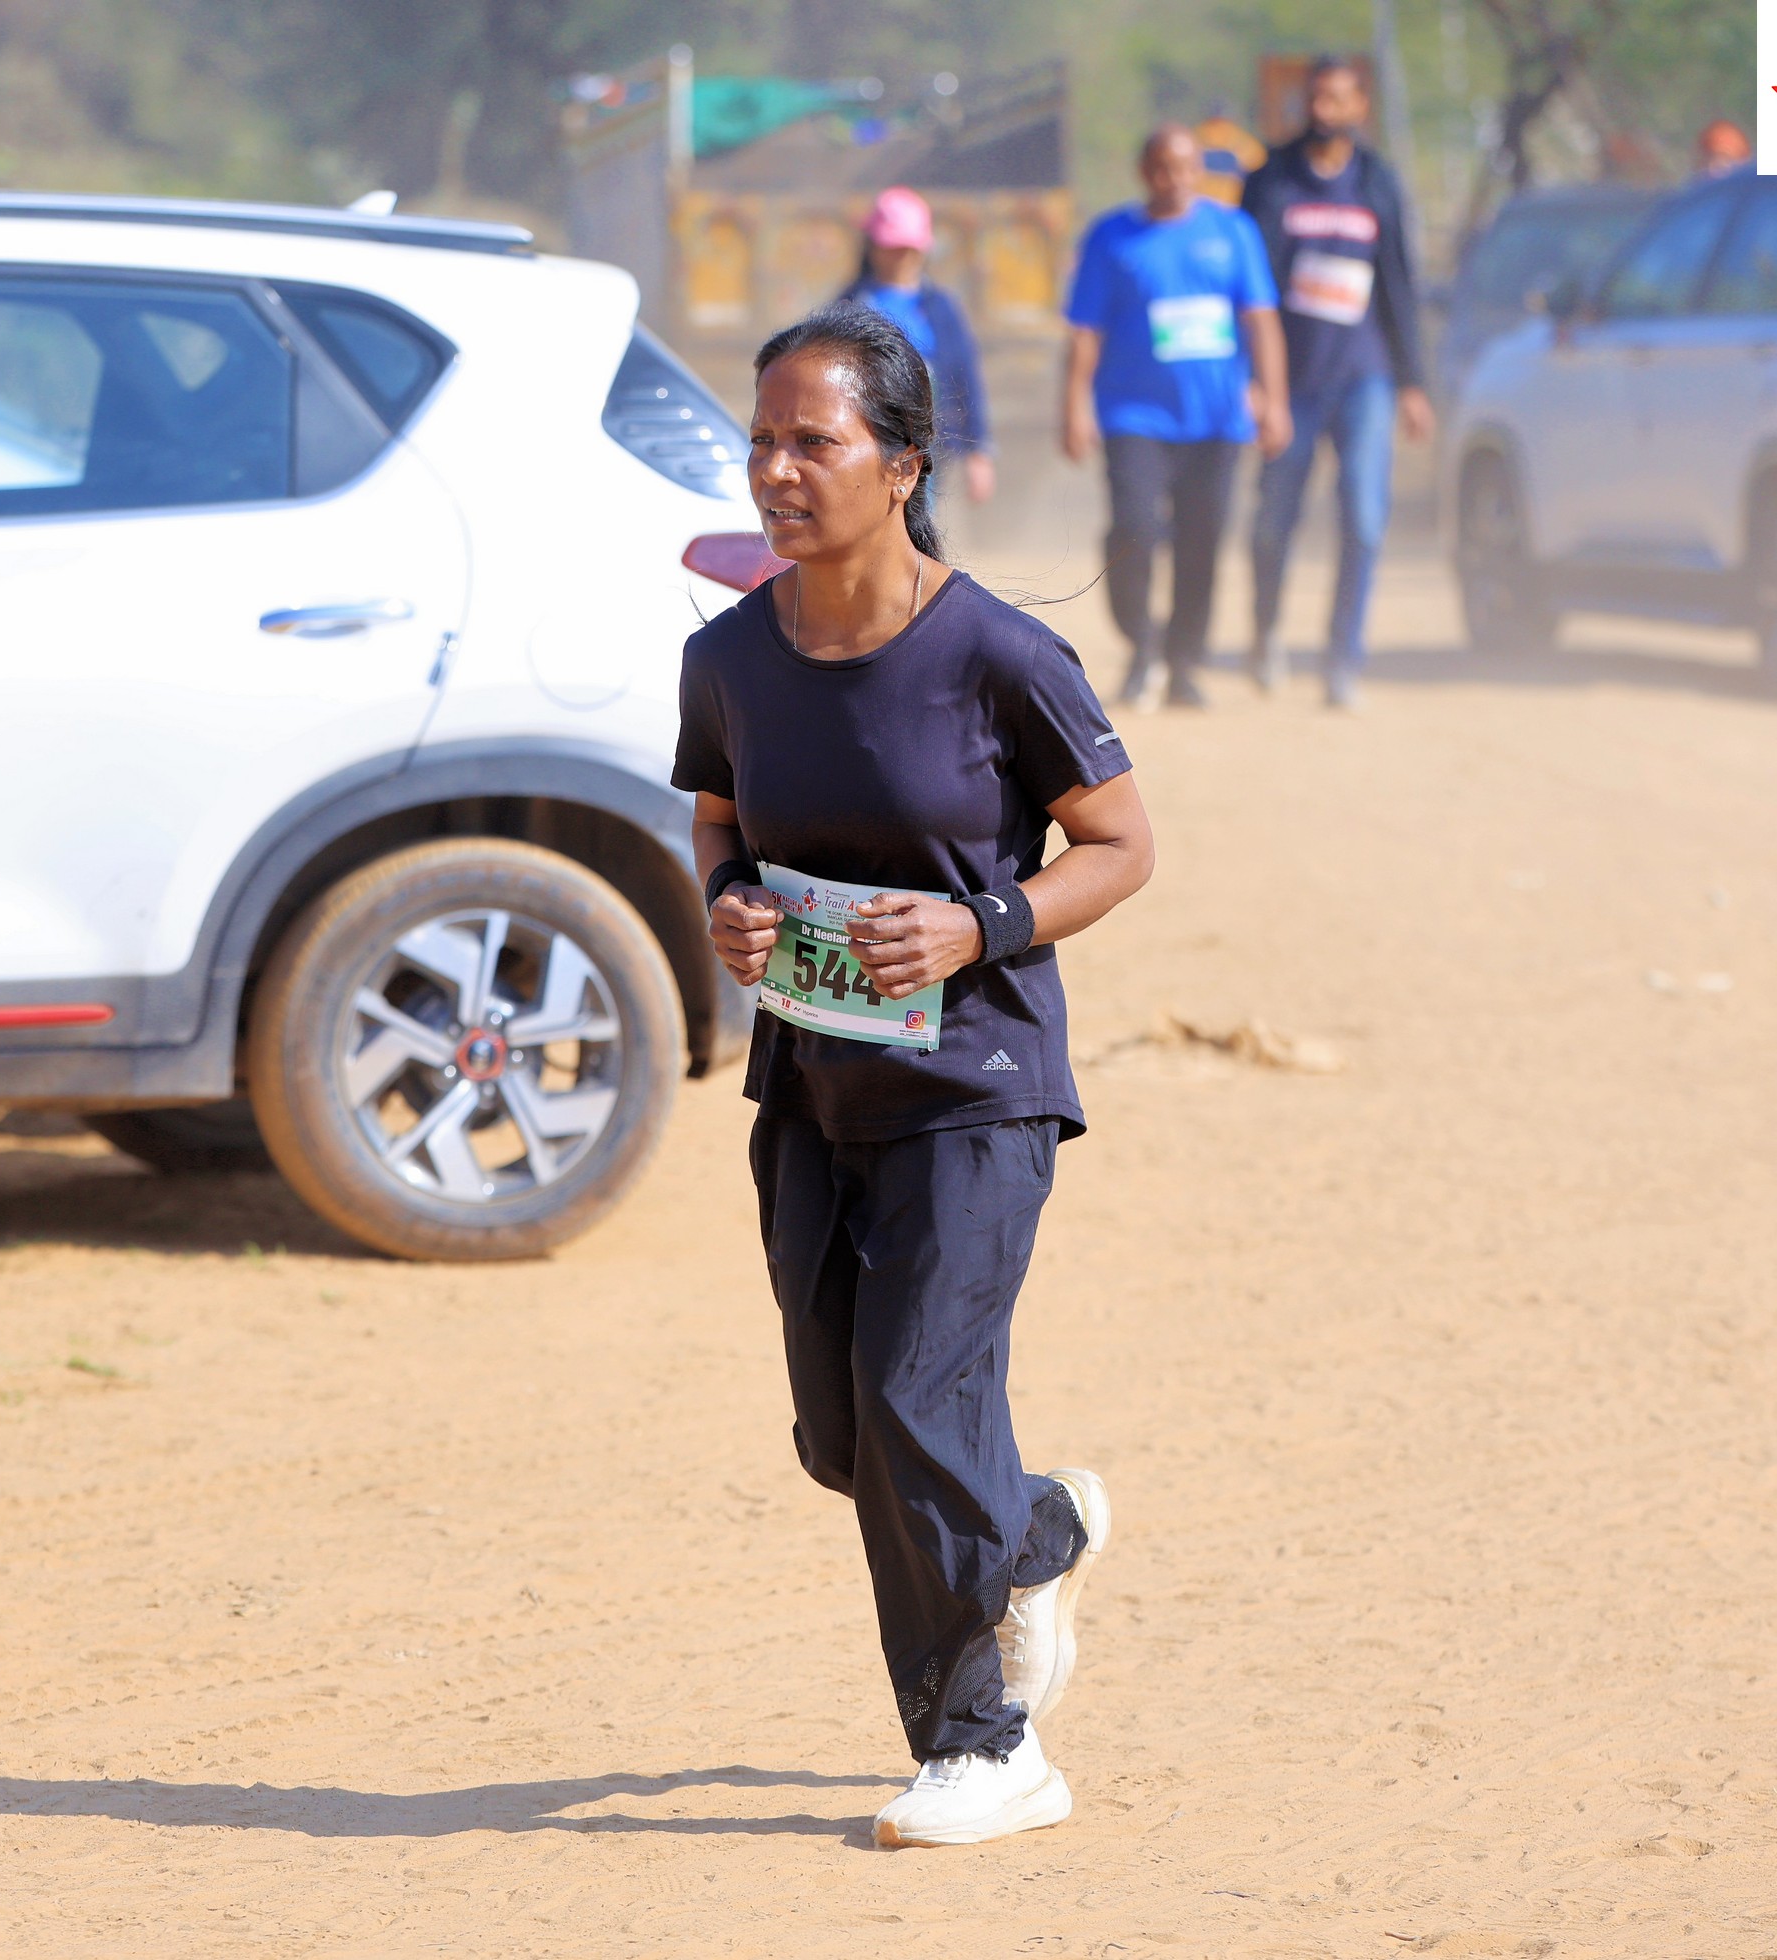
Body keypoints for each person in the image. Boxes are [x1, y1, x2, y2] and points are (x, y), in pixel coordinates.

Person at [677, 302, 1154, 1848]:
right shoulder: (728, 657)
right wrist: (729, 901)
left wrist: (976, 926)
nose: (777, 470)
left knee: (911, 1403)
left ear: (902, 464)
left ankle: (985, 1749)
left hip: (977, 1087)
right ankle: (1040, 1527)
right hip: (812, 1090)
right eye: (761, 440)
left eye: (811, 441)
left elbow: (1121, 844)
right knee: (847, 1442)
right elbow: (717, 822)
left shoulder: (998, 654)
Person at [1062, 125, 1291, 711]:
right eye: (1163, 168)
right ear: (1145, 172)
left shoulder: (1233, 231)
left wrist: (1275, 400)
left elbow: (1261, 319)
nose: (1175, 179)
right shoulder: (1111, 238)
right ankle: (1142, 646)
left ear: (1199, 170)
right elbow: (1086, 329)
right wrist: (1073, 406)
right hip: (1134, 416)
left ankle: (1184, 662)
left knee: (1202, 542)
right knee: (1134, 530)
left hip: (1216, 421)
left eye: (1186, 167)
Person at [1241, 56, 1433, 710]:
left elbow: (1399, 284)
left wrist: (1413, 384)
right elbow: (1249, 288)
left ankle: (1343, 660)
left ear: (1359, 107)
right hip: (1289, 381)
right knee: (1275, 521)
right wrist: (1253, 380)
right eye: (1316, 97)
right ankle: (1266, 633)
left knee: (1366, 520)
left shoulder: (1377, 182)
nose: (1325, 109)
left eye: (1338, 99)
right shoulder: (1271, 179)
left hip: (1364, 379)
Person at [842, 186, 994, 507]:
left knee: (918, 515)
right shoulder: (850, 307)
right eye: (892, 247)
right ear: (874, 248)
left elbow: (965, 376)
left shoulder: (941, 309)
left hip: (929, 440)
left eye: (908, 249)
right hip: (866, 439)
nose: (901, 258)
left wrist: (978, 450)